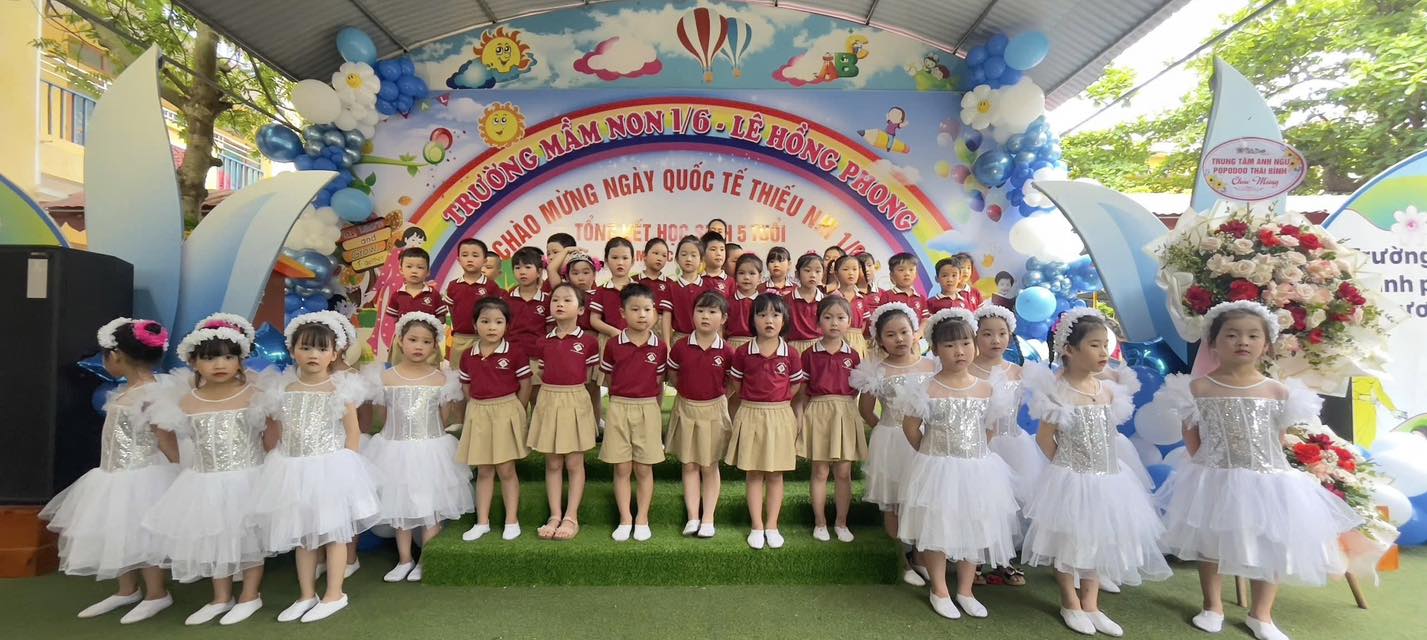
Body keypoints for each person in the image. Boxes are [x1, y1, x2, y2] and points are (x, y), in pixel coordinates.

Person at [1145, 301, 1361, 640]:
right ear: (1214, 343)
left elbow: (1278, 438)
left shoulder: (1279, 391)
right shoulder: (1197, 388)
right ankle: (1212, 606)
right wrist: (1209, 469)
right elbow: (1192, 436)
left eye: (1252, 335)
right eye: (1231, 335)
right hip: (1213, 476)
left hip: (1267, 480)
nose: (1242, 341)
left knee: (1270, 544)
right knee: (1210, 542)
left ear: (1266, 344)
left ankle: (1262, 614)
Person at [1021, 308, 1171, 636]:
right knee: (1069, 542)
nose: (1104, 352)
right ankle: (1070, 602)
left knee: (1100, 540)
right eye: (1094, 345)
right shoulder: (1057, 392)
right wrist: (1066, 466)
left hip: (1109, 478)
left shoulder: (1107, 390)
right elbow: (1045, 439)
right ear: (1069, 350)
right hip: (1071, 476)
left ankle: (1091, 604)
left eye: (1106, 345)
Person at [41, 318, 179, 623]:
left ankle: (157, 593)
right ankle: (127, 589)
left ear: (116, 356)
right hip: (113, 474)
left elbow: (165, 437)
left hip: (143, 475)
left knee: (144, 535)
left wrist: (179, 472)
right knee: (117, 530)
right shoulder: (126, 391)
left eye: (104, 355)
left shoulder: (150, 394)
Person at [250, 312, 379, 624]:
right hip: (293, 470)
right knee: (303, 536)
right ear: (293, 350)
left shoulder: (340, 389)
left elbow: (352, 433)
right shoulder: (283, 390)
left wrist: (346, 472)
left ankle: (335, 594)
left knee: (335, 535)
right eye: (306, 348)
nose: (313, 355)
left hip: (331, 470)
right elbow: (278, 431)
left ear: (334, 354)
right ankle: (306, 594)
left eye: (322, 349)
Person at [143, 324, 270, 626]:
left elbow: (270, 437)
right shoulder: (187, 401)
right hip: (204, 481)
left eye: (228, 357)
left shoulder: (254, 395)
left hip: (247, 478)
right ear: (194, 362)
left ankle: (250, 595)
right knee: (214, 539)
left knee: (249, 541)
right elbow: (170, 435)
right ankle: (220, 597)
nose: (219, 364)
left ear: (240, 360)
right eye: (209, 358)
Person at [897, 309, 1020, 620]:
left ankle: (965, 590)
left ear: (974, 345)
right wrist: (930, 453)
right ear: (936, 349)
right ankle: (939, 589)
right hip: (936, 468)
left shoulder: (988, 388)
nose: (959, 351)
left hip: (977, 469)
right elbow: (910, 427)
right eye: (950, 345)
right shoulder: (925, 388)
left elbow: (991, 427)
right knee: (936, 528)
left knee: (974, 527)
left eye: (965, 343)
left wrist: (976, 454)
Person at [361, 312, 473, 583]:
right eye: (413, 340)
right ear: (400, 340)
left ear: (435, 346)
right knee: (399, 505)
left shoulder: (442, 379)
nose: (419, 346)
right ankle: (404, 559)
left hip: (431, 450)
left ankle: (425, 559)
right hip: (394, 450)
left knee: (429, 507)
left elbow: (444, 418)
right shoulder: (386, 378)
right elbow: (383, 417)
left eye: (426, 342)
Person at [851, 302, 937, 585]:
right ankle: (903, 561)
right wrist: (885, 428)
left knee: (924, 501)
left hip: (926, 440)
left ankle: (921, 557)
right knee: (893, 502)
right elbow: (866, 410)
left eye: (904, 332)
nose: (899, 339)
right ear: (879, 339)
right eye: (890, 334)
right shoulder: (876, 371)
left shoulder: (933, 366)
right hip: (890, 441)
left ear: (915, 332)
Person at [725, 293, 805, 549]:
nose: (769, 320)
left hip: (780, 415)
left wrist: (777, 403)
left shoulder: (791, 354)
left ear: (785, 319)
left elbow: (794, 387)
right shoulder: (742, 352)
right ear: (752, 319)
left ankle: (772, 525)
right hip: (751, 413)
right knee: (754, 472)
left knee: (775, 473)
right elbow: (737, 385)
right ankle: (757, 526)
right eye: (762, 315)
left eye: (775, 315)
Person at [970, 304, 1040, 588]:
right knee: (981, 504)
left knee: (1010, 507)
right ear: (975, 337)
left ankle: (1003, 560)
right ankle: (974, 560)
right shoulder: (967, 370)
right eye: (987, 334)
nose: (995, 340)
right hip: (979, 447)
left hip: (1013, 445)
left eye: (1002, 333)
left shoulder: (1019, 372)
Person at [455, 297, 531, 543]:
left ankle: (512, 520)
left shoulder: (515, 352)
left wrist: (517, 409)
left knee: (506, 469)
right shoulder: (468, 355)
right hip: (478, 412)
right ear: (475, 324)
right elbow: (466, 387)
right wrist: (476, 408)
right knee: (484, 470)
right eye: (485, 321)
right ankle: (482, 522)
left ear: (507, 325)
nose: (491, 327)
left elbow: (525, 384)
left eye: (498, 322)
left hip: (506, 410)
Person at [527, 283, 600, 541]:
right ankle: (555, 514)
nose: (559, 304)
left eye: (567, 300)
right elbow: (541, 372)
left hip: (576, 399)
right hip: (549, 399)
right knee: (553, 462)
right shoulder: (542, 342)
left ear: (580, 309)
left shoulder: (589, 342)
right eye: (555, 299)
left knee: (574, 462)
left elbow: (589, 378)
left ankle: (571, 516)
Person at [598, 284, 668, 542]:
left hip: (648, 408)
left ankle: (642, 518)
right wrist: (619, 403)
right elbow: (608, 379)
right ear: (622, 313)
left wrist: (653, 412)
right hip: (619, 407)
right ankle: (625, 518)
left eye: (648, 309)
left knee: (644, 468)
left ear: (655, 312)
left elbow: (659, 383)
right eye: (635, 309)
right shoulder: (613, 345)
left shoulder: (660, 347)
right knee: (622, 467)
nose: (642, 315)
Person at [795, 296, 866, 543]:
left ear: (849, 322)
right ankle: (820, 522)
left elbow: (856, 391)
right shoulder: (809, 355)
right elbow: (802, 393)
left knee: (844, 473)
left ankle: (841, 523)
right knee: (820, 471)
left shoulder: (854, 355)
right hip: (818, 413)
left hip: (845, 413)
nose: (834, 323)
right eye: (828, 317)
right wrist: (802, 420)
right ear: (818, 322)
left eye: (840, 318)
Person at [666, 291, 733, 538]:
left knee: (709, 465)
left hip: (714, 410)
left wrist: (718, 398)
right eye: (700, 311)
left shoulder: (727, 351)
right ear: (692, 314)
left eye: (712, 312)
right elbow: (674, 377)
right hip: (686, 408)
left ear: (723, 318)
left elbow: (731, 384)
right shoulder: (680, 347)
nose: (705, 316)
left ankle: (708, 518)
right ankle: (693, 517)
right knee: (690, 464)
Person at [443, 239, 502, 370]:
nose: (470, 259)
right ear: (458, 260)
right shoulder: (453, 286)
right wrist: (458, 330)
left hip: (485, 339)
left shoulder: (491, 286)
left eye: (475, 255)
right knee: (457, 374)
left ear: (484, 261)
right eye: (465, 255)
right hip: (460, 339)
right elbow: (452, 310)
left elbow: (497, 313)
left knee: (484, 373)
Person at [505, 247, 552, 406]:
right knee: (516, 403)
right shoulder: (506, 299)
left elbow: (550, 331)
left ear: (539, 272)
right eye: (517, 268)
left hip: (537, 358)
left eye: (527, 267)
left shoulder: (547, 300)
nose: (522, 272)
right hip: (513, 357)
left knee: (538, 401)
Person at [384, 247, 448, 364]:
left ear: (428, 272)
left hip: (426, 340)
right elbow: (394, 318)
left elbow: (441, 318)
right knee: (401, 367)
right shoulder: (397, 295)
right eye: (409, 266)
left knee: (429, 368)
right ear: (401, 270)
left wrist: (431, 330)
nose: (414, 271)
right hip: (403, 340)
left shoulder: (433, 294)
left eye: (420, 267)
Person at [661, 235, 707, 346]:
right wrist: (667, 345)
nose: (688, 259)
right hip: (679, 340)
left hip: (704, 340)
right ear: (677, 258)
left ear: (701, 259)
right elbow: (666, 317)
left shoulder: (708, 287)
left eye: (693, 255)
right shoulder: (671, 287)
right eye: (684, 254)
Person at [828, 254, 871, 355]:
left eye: (855, 269)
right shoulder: (832, 298)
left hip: (858, 340)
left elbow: (864, 322)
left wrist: (856, 336)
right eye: (846, 269)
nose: (851, 273)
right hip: (837, 338)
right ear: (836, 274)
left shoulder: (861, 298)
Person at [784, 253, 826, 353]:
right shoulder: (786, 300)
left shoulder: (825, 301)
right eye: (807, 270)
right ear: (797, 274)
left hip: (820, 346)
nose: (813, 275)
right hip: (794, 347)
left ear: (823, 274)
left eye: (818, 271)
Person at [726, 253, 763, 350]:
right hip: (732, 345)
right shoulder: (728, 301)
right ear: (735, 276)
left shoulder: (763, 303)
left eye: (752, 273)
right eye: (741, 273)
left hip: (757, 345)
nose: (746, 277)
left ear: (760, 277)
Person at [637, 238, 672, 338]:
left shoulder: (670, 284)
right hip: (639, 326)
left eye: (664, 255)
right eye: (656, 253)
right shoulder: (634, 281)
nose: (659, 258)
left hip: (663, 331)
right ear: (644, 256)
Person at [880, 252, 928, 320]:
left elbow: (925, 320)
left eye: (911, 270)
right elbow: (881, 320)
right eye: (901, 270)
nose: (907, 273)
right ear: (892, 275)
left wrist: (921, 327)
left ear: (916, 274)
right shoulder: (886, 296)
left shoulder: (921, 298)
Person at [700, 231, 731, 296]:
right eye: (713, 249)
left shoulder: (731, 282)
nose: (719, 253)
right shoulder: (697, 280)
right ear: (703, 253)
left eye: (722, 249)